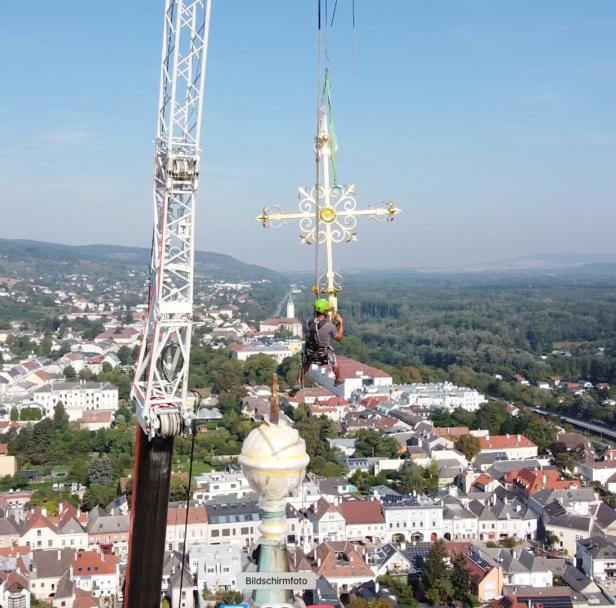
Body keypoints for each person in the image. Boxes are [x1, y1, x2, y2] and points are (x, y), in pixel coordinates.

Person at [300, 298, 344, 385]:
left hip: (310, 353)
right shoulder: (329, 326)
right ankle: (338, 378)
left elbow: (310, 333)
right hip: (323, 354)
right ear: (325, 312)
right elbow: (339, 338)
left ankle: (298, 380)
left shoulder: (307, 322)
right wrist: (341, 324)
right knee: (335, 362)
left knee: (306, 364)